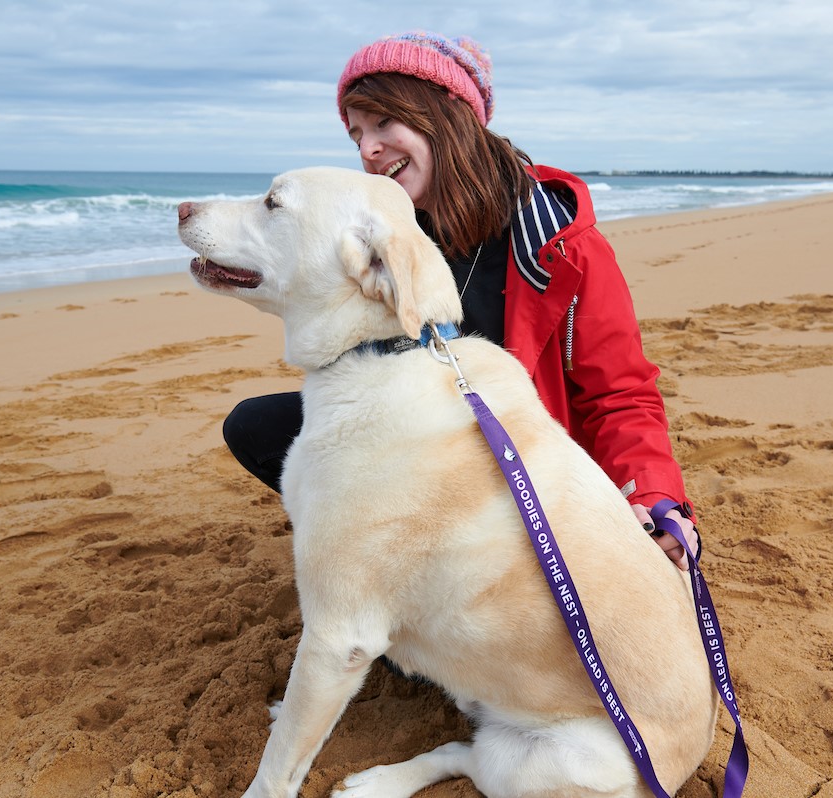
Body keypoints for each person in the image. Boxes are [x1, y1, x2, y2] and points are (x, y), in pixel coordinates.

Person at [223, 31, 700, 569]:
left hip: (529, 474)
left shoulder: (559, 244)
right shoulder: (386, 239)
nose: (367, 149)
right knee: (257, 427)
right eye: (356, 134)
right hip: (422, 454)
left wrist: (652, 496)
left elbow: (620, 394)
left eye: (383, 122)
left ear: (446, 114)